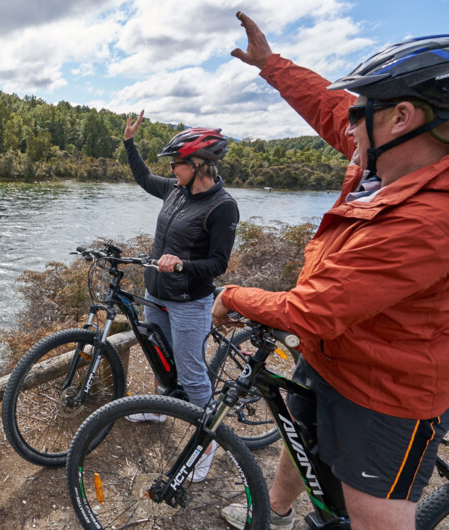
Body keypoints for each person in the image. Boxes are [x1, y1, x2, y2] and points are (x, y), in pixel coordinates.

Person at [216, 12, 449, 530]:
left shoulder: (430, 218)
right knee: (300, 438)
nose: (348, 121)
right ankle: (276, 512)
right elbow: (328, 105)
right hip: (333, 355)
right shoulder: (381, 161)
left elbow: (313, 310)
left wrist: (233, 296)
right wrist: (272, 65)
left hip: (388, 390)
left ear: (402, 117)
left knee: (374, 515)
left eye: (362, 110)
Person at [123, 113, 239, 480]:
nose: (172, 170)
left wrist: (182, 265)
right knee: (160, 356)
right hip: (155, 292)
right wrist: (129, 144)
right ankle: (160, 409)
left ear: (199, 165)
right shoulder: (175, 190)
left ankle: (207, 446)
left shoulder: (222, 207)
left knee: (191, 373)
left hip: (190, 301)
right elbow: (143, 178)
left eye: (177, 164)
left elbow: (218, 263)